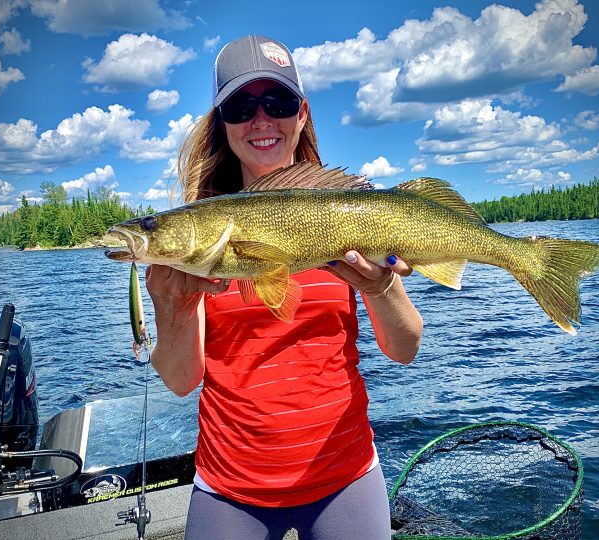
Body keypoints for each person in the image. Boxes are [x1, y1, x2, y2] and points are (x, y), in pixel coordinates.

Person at [146, 35, 423, 540]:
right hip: (231, 486)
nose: (260, 119)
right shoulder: (202, 241)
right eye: (240, 105)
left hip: (346, 475)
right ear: (220, 123)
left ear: (301, 113)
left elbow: (404, 348)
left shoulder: (345, 214)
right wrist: (172, 307)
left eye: (277, 101)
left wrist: (381, 288)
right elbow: (182, 380)